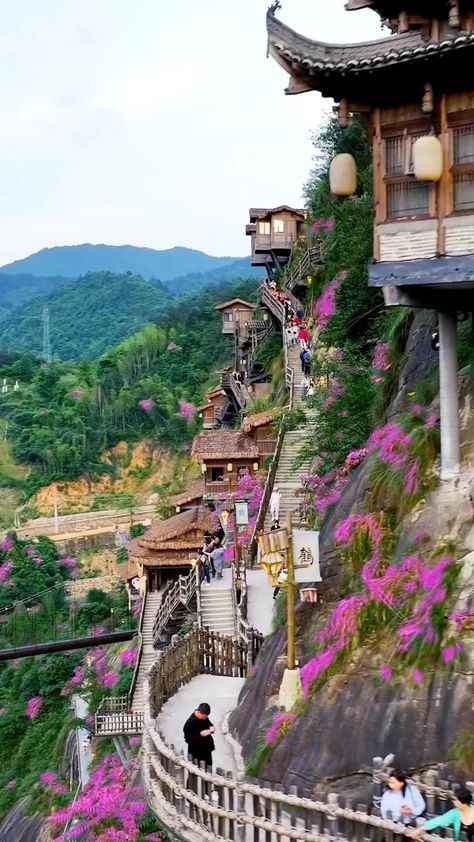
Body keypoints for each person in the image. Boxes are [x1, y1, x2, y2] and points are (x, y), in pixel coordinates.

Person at [409, 787, 473, 841]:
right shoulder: (455, 813)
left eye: (456, 800)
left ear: (463, 802)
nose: (454, 802)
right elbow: (439, 820)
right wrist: (419, 829)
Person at [183, 703, 215, 768]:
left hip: (206, 750)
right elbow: (188, 739)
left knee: (208, 769)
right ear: (199, 712)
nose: (205, 718)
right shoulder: (190, 723)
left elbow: (208, 724)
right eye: (204, 716)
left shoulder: (204, 718)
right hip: (196, 752)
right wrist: (200, 735)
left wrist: (212, 728)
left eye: (206, 716)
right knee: (196, 771)